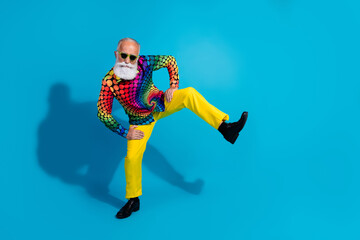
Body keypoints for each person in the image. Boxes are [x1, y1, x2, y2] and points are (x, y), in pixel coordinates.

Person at [97, 37, 248, 219]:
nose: (128, 62)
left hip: (161, 102)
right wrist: (125, 132)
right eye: (123, 56)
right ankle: (133, 199)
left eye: (132, 57)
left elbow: (170, 60)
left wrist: (173, 86)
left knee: (189, 93)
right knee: (131, 158)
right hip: (140, 121)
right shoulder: (109, 82)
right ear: (116, 54)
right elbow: (103, 113)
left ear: (138, 57)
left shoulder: (145, 62)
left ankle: (225, 128)